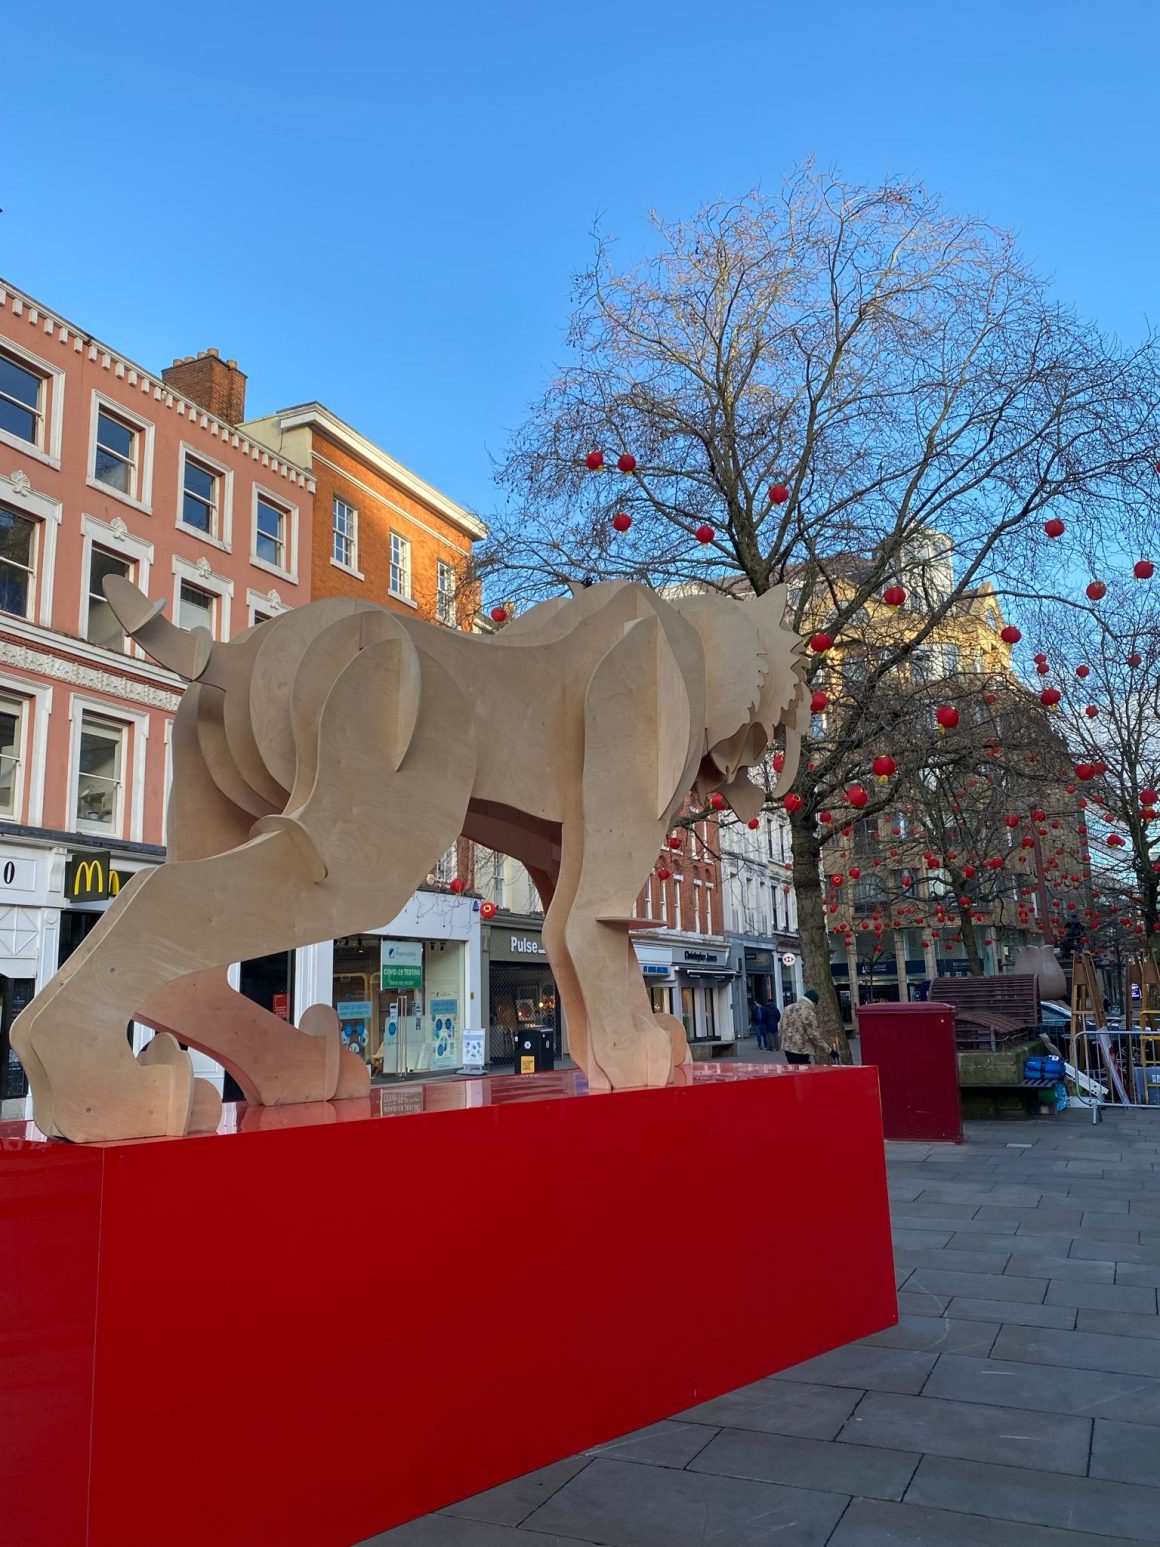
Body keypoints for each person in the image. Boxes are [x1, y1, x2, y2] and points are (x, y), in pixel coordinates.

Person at [779, 988, 833, 1066]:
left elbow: (781, 1027)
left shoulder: (788, 1008)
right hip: (802, 1049)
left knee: (793, 1071)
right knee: (804, 1073)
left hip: (787, 1048)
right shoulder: (808, 1012)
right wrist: (829, 1050)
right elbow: (814, 1036)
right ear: (813, 1002)